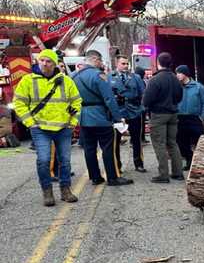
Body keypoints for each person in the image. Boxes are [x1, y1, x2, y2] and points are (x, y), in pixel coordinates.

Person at [12, 49, 82, 206]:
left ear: (55, 63)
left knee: (65, 161)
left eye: (48, 61)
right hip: (40, 128)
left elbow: (76, 102)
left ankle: (65, 189)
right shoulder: (28, 81)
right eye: (42, 60)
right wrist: (30, 123)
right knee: (43, 160)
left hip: (63, 127)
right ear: (38, 61)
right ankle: (47, 190)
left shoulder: (66, 81)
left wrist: (73, 121)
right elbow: (20, 103)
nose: (44, 63)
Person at [73, 50, 133, 186]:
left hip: (83, 116)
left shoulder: (74, 76)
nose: (100, 63)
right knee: (108, 148)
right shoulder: (99, 75)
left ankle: (95, 177)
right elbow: (109, 99)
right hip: (100, 116)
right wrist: (118, 118)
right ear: (94, 59)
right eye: (100, 60)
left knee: (89, 148)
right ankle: (113, 177)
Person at [142, 52, 184, 183]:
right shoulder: (175, 78)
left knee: (159, 144)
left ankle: (163, 175)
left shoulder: (155, 80)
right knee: (172, 143)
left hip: (159, 115)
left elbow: (146, 100)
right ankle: (178, 172)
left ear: (158, 63)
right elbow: (179, 97)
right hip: (173, 113)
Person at [110, 55, 146, 173]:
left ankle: (138, 163)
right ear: (117, 64)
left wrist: (141, 107)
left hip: (134, 112)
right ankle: (117, 165)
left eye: (127, 64)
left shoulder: (135, 77)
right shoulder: (110, 77)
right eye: (123, 63)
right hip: (118, 113)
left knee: (136, 140)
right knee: (116, 141)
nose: (126, 66)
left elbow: (143, 93)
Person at [175, 65, 204, 171]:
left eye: (179, 73)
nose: (177, 75)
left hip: (194, 118)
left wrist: (202, 117)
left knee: (198, 142)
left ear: (185, 74)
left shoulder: (199, 87)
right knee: (181, 142)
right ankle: (189, 159)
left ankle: (200, 163)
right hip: (180, 118)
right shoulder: (177, 87)